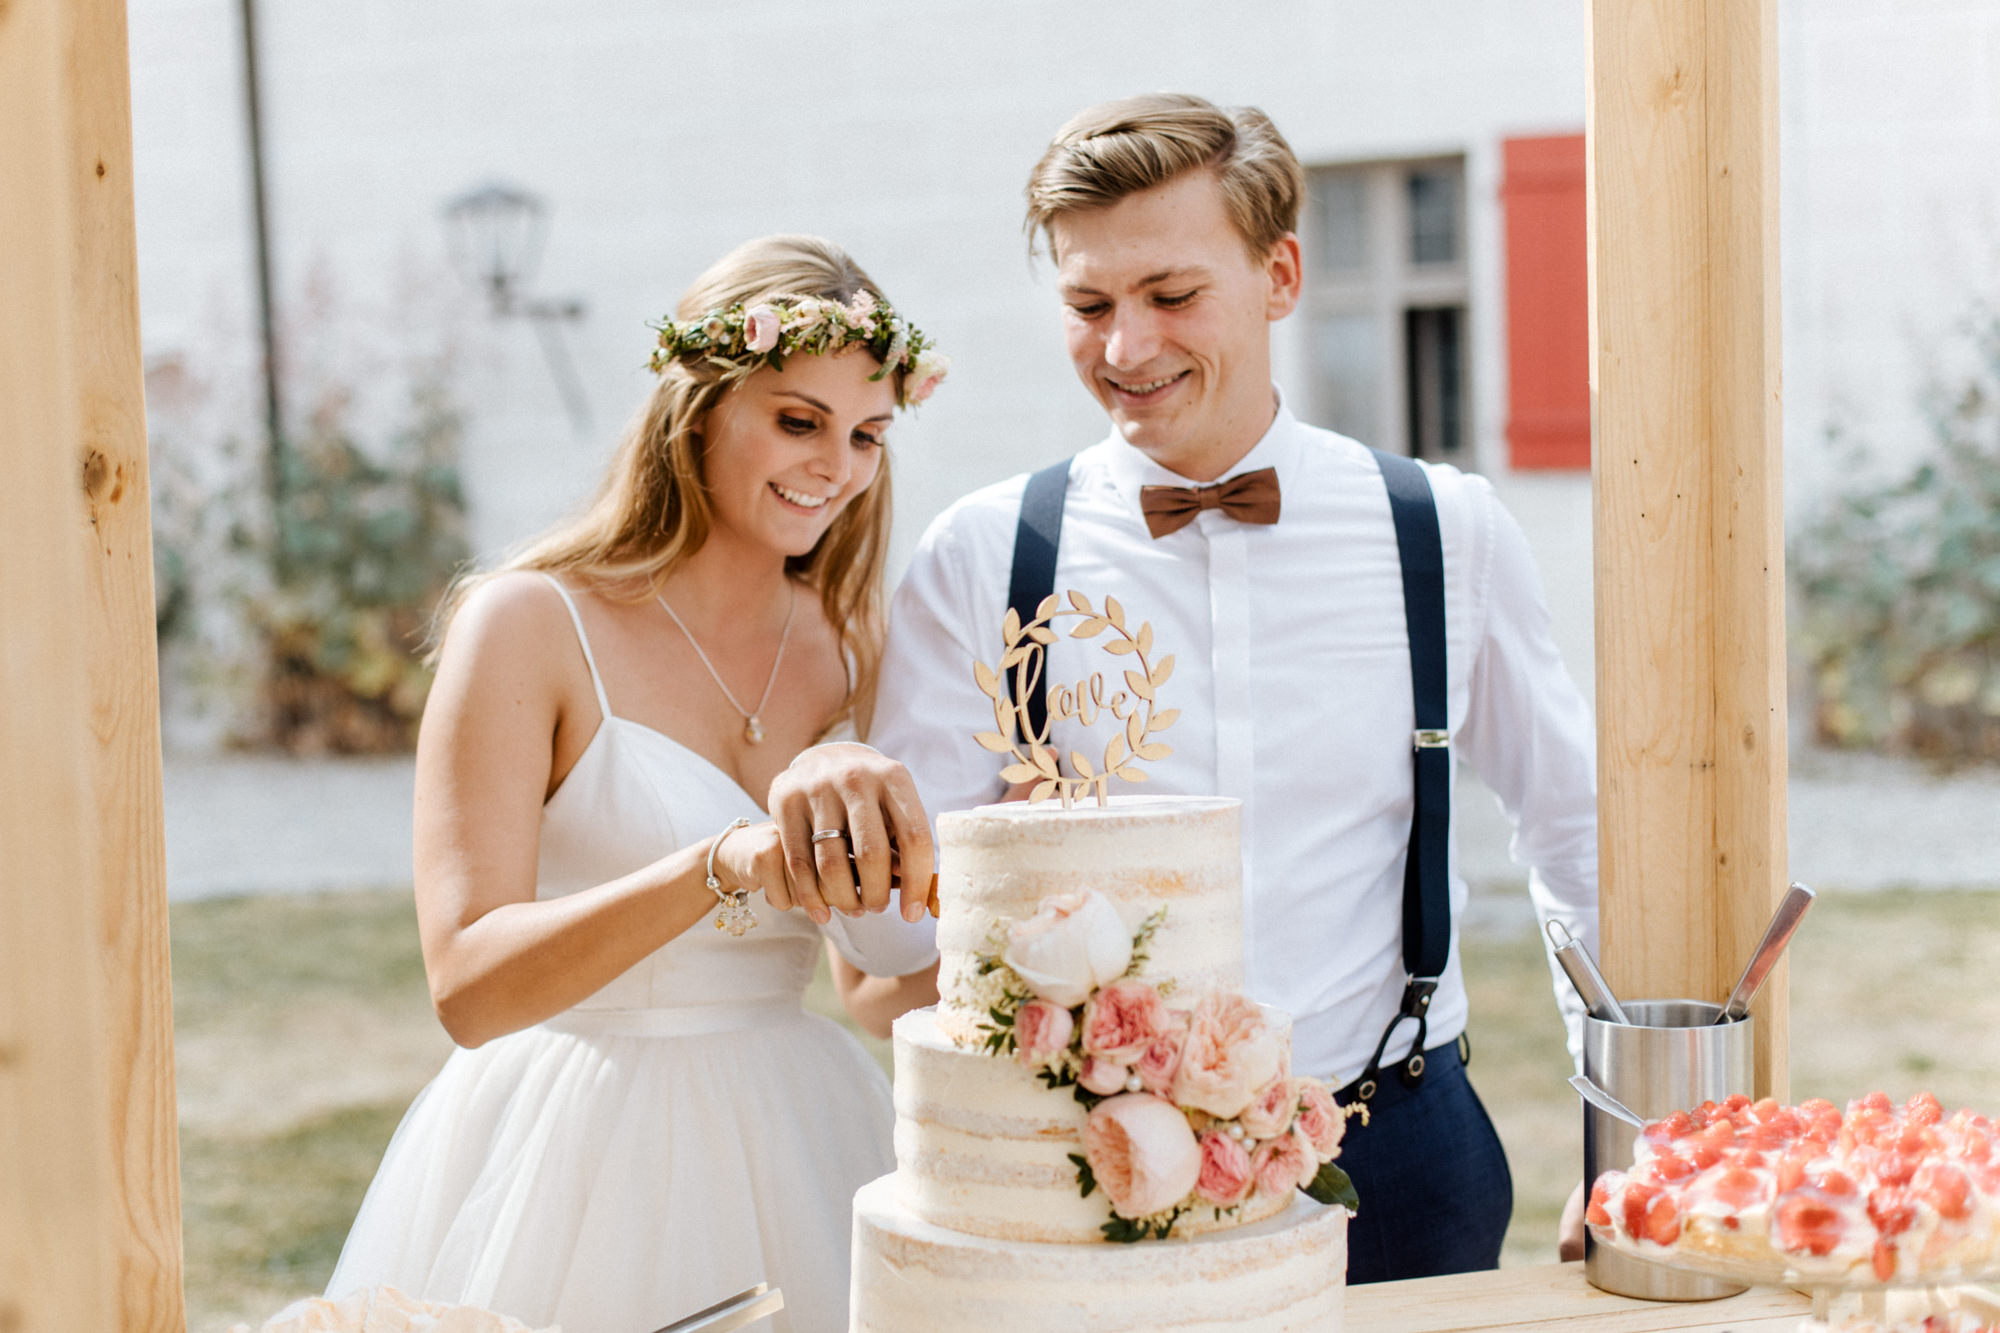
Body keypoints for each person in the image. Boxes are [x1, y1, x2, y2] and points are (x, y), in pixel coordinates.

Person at [842, 95, 1601, 1283]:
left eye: (1170, 295)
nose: (1125, 348)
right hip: (1081, 1172)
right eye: (1087, 306)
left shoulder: (1444, 533)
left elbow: (1573, 830)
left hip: (1396, 1149)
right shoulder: (979, 556)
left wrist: (1629, 1136)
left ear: (1280, 275)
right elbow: (890, 928)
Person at [325, 235, 944, 1333]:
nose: (836, 465)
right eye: (798, 420)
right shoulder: (529, 621)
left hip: (804, 1130)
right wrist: (720, 865)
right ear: (698, 407)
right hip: (572, 1148)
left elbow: (872, 985)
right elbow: (468, 984)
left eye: (867, 434)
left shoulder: (855, 647)